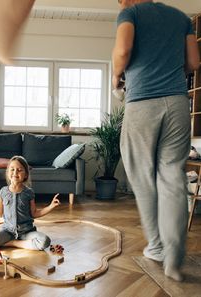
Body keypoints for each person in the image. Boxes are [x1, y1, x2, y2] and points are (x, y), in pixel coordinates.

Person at [113, 0, 200, 281]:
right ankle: (174, 261)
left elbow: (123, 50)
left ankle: (158, 248)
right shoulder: (181, 17)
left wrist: (117, 75)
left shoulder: (130, 13)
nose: (120, 3)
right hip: (177, 104)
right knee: (172, 178)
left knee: (141, 177)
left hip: (142, 104)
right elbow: (194, 62)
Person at [0, 156, 61, 250]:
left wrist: (51, 206)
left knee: (44, 241)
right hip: (7, 232)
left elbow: (34, 213)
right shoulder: (3, 191)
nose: (15, 172)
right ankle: (18, 243)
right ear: (7, 172)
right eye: (12, 169)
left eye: (19, 170)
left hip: (26, 232)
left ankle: (12, 243)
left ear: (26, 174)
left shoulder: (29, 192)